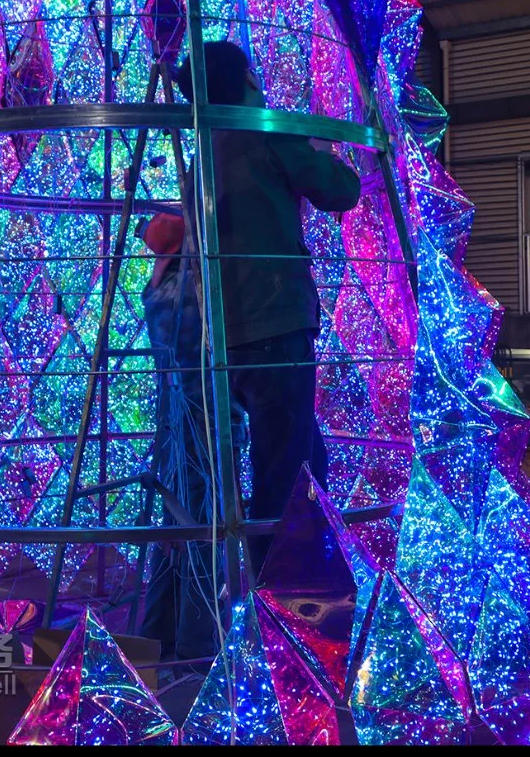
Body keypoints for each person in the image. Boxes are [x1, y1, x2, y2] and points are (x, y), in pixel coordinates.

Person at [176, 40, 362, 579]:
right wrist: (328, 150)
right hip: (276, 324)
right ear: (247, 82)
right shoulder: (263, 131)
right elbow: (339, 190)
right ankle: (271, 608)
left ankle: (318, 580)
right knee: (282, 477)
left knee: (305, 459)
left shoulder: (205, 153)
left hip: (228, 335)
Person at [138, 212, 247, 674]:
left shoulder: (157, 288)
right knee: (204, 526)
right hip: (202, 420)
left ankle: (157, 634)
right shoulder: (192, 288)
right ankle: (199, 645)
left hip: (173, 421)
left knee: (173, 528)